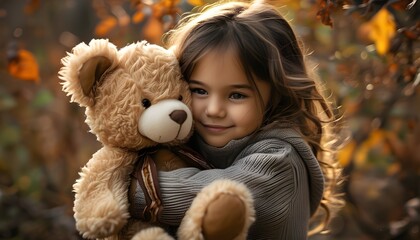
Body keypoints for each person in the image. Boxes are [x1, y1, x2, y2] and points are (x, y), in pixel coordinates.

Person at [130, 0, 344, 238]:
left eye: (236, 95)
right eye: (199, 90)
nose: (214, 110)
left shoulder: (280, 162)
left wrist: (116, 180)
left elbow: (199, 196)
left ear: (276, 93)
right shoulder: (193, 139)